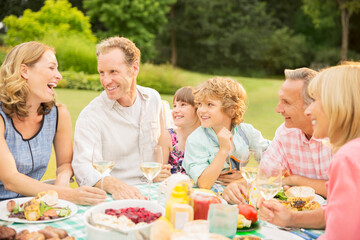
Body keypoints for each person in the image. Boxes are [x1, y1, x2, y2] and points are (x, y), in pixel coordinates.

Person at [258, 63, 360, 239]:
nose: (309, 110)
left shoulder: (348, 157)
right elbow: (339, 211)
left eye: (317, 100)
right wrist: (291, 218)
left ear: (339, 105)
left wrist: (295, 180)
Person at [0, 41, 106, 205]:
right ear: (24, 71)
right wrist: (67, 194)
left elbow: (64, 163)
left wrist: (61, 183)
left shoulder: (58, 114)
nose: (59, 75)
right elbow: (10, 179)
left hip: (31, 205)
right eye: (51, 68)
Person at [72, 36, 169, 200]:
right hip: (116, 197)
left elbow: (164, 140)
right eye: (101, 73)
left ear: (134, 68)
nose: (106, 80)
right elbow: (82, 167)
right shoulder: (91, 115)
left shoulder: (153, 98)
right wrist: (113, 184)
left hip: (154, 192)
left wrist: (161, 169)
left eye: (113, 72)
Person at [222, 67, 332, 204]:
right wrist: (238, 185)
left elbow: (349, 190)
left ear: (313, 104)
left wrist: (296, 180)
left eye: (287, 102)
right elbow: (266, 175)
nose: (278, 109)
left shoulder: (341, 134)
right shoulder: (286, 133)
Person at [182, 77, 270, 192]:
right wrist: (223, 150)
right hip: (210, 197)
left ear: (231, 110)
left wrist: (245, 176)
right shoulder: (196, 140)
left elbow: (274, 158)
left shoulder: (246, 132)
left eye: (210, 104)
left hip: (241, 192)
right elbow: (204, 183)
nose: (201, 110)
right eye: (200, 104)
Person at [158, 87, 201, 174]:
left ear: (198, 108)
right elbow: (158, 173)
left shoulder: (209, 136)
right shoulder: (168, 137)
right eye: (174, 106)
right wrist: (159, 175)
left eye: (183, 105)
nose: (176, 110)